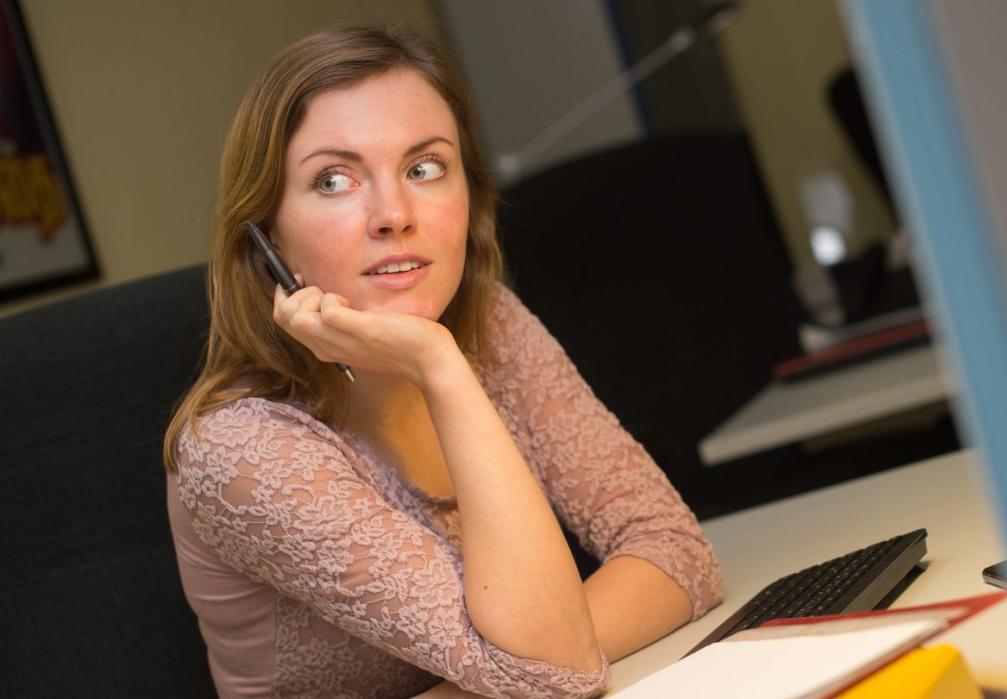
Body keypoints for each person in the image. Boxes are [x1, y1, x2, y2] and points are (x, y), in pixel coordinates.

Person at [163, 25, 724, 699]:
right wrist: (440, 365)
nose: (394, 214)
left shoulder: (492, 326)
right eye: (334, 179)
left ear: (469, 197)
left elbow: (676, 552)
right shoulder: (241, 447)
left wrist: (443, 363)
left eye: (424, 167)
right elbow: (554, 670)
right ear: (267, 236)